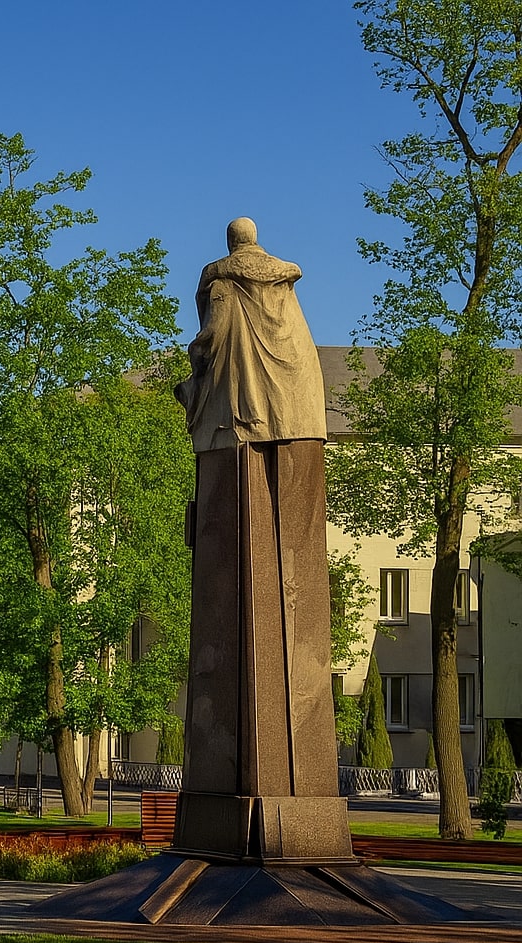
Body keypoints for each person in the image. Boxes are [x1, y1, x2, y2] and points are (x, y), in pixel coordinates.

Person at [170, 218, 349, 862]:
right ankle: (301, 804)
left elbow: (215, 338)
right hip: (298, 411)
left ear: (227, 245)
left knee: (239, 563)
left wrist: (189, 379)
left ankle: (234, 805)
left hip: (237, 417)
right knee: (284, 567)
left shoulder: (221, 283)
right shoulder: (288, 293)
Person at [175, 217, 326, 452]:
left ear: (230, 242)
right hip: (297, 383)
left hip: (242, 404)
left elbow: (212, 334)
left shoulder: (222, 283)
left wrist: (197, 360)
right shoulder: (285, 284)